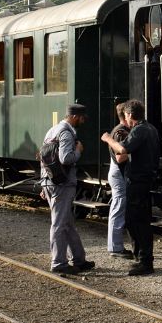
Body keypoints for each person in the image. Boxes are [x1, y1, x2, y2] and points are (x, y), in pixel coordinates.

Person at [101, 99, 159, 276]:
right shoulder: (151, 128)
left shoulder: (140, 130)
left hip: (138, 181)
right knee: (138, 220)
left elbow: (122, 150)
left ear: (129, 114)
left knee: (137, 221)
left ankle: (144, 261)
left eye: (126, 115)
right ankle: (141, 257)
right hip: (144, 180)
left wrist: (108, 139)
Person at [41, 103, 95, 275]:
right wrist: (78, 151)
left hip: (51, 182)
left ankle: (79, 259)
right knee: (59, 224)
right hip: (62, 185)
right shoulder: (66, 133)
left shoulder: (52, 130)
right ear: (74, 117)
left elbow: (43, 157)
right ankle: (58, 262)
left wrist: (44, 183)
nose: (83, 121)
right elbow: (66, 158)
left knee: (67, 223)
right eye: (82, 118)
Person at [106, 102, 132, 259]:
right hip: (119, 174)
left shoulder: (121, 130)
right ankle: (115, 248)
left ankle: (116, 246)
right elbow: (120, 157)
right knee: (118, 209)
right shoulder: (120, 132)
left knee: (119, 208)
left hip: (118, 173)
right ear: (126, 115)